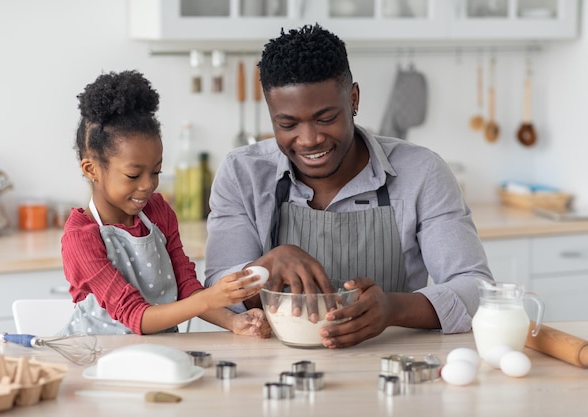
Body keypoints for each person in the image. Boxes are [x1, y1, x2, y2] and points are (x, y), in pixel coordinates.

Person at [204, 24, 493, 348]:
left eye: (326, 118)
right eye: (288, 124)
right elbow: (216, 295)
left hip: (392, 363)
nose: (310, 139)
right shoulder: (242, 173)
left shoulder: (421, 172)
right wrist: (265, 268)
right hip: (273, 370)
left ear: (353, 99)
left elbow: (475, 288)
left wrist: (394, 309)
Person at [59, 70, 270, 338]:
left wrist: (234, 322)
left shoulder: (157, 212)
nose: (148, 184)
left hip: (161, 355)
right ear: (91, 169)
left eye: (156, 172)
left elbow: (185, 285)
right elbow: (135, 317)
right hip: (98, 360)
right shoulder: (81, 238)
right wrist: (210, 298)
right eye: (133, 175)